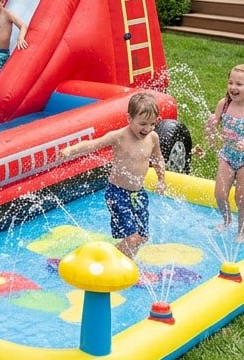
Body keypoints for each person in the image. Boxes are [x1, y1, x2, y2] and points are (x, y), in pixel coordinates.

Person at [59, 91, 167, 258]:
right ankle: (106, 259)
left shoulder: (153, 138)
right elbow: (93, 145)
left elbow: (158, 158)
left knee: (142, 237)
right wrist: (71, 150)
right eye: (143, 124)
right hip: (117, 193)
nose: (147, 129)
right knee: (132, 237)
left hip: (138, 193)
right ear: (129, 118)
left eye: (152, 124)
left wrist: (162, 179)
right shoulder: (119, 136)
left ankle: (126, 263)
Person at [201, 64, 244, 242]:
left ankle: (242, 232)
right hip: (227, 156)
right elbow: (213, 124)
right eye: (231, 83)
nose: (233, 88)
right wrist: (210, 126)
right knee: (220, 194)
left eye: (239, 84)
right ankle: (227, 220)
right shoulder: (224, 104)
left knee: (241, 198)